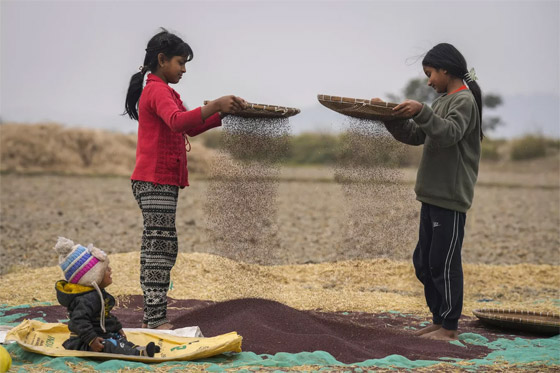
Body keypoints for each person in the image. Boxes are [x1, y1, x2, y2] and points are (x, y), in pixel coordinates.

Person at [124, 28, 247, 329]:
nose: (184, 69)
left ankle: (155, 316)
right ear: (162, 60)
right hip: (154, 181)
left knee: (163, 245)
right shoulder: (156, 90)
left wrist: (222, 114)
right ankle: (154, 320)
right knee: (158, 247)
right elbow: (178, 122)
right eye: (180, 62)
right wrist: (215, 105)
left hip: (161, 182)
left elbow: (189, 128)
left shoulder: (164, 90)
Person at [375, 43, 483, 341]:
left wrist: (421, 110)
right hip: (432, 196)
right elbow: (416, 135)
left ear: (445, 69)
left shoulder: (463, 102)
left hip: (450, 197)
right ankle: (438, 320)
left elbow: (449, 134)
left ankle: (449, 328)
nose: (429, 81)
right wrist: (387, 116)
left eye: (430, 73)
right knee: (424, 263)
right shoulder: (443, 101)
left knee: (443, 264)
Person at [54, 237, 160, 357]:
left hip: (102, 334)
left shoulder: (97, 293)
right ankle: (137, 353)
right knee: (109, 345)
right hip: (85, 341)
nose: (110, 270)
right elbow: (78, 321)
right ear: (93, 277)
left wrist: (117, 327)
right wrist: (91, 339)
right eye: (105, 269)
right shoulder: (86, 299)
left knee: (118, 340)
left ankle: (137, 349)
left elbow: (104, 316)